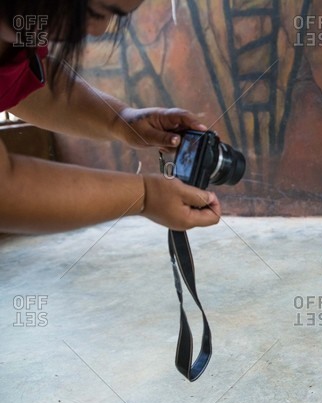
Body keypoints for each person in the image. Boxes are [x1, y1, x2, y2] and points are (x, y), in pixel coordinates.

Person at [0, 0, 221, 234]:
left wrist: (122, 120)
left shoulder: (20, 31)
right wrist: (145, 196)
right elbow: (5, 191)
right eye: (94, 13)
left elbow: (28, 84)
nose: (98, 30)